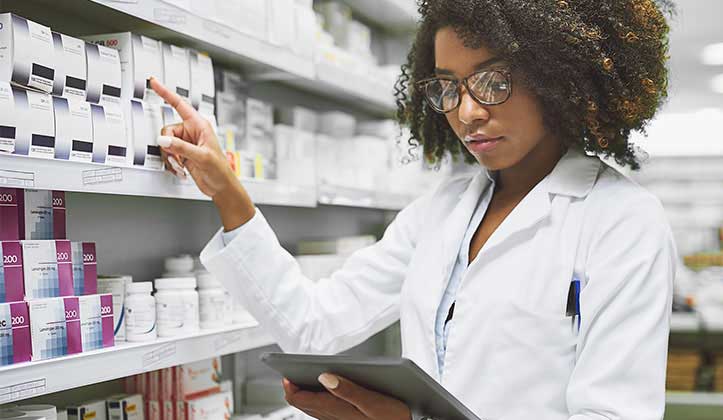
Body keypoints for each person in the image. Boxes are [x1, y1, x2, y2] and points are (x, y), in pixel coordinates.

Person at [150, 0, 677, 418]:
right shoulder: (442, 212)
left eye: (494, 81)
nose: (468, 112)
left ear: (557, 74)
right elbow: (312, 325)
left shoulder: (623, 222)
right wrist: (226, 189)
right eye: (448, 88)